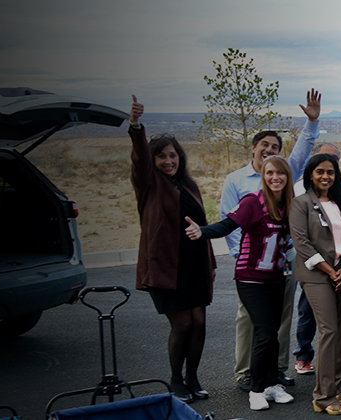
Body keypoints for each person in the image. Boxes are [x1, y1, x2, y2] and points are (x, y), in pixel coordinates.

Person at [220, 89, 321, 391]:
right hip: (251, 264)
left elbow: (303, 150)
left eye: (275, 146)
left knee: (282, 316)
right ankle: (246, 372)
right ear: (252, 148)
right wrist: (244, 257)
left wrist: (312, 123)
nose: (269, 149)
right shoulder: (236, 181)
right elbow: (230, 222)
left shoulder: (282, 174)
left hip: (281, 261)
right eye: (264, 145)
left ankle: (276, 369)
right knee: (249, 319)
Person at [186, 156, 296, 411]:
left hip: (276, 277)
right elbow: (227, 225)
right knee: (265, 333)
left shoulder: (289, 205)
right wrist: (202, 231)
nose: (275, 178)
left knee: (274, 334)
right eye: (269, 173)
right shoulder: (252, 202)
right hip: (251, 278)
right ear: (263, 176)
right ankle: (256, 389)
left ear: (287, 177)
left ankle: (271, 385)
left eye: (280, 173)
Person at [127, 96, 216, 403]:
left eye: (173, 155)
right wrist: (136, 126)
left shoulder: (188, 185)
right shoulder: (149, 185)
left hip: (195, 266)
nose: (168, 161)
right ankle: (176, 380)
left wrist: (212, 260)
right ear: (153, 160)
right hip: (166, 267)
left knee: (200, 322)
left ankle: (193, 377)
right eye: (162, 156)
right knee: (183, 323)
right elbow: (138, 160)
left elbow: (201, 226)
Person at [288, 154, 341, 415]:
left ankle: (335, 387)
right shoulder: (300, 204)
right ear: (310, 174)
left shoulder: (340, 203)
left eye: (330, 172)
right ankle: (322, 396)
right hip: (318, 275)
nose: (325, 177)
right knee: (329, 330)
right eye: (320, 172)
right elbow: (302, 244)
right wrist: (332, 271)